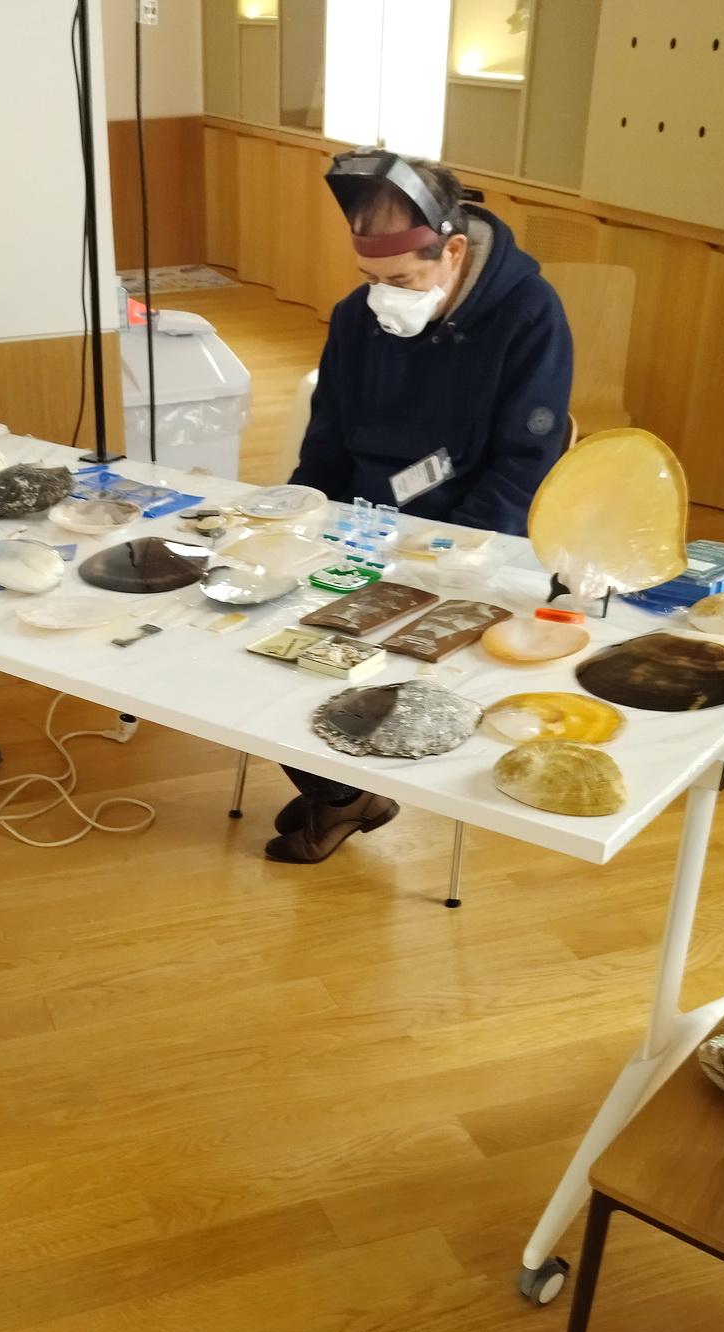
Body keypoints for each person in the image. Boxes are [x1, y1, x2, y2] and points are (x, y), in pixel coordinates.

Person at [266, 149, 574, 866]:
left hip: (474, 546)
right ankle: (341, 787)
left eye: (401, 280)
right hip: (366, 530)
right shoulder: (357, 317)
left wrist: (437, 562)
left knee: (361, 654)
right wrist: (303, 526)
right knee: (266, 641)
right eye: (370, 279)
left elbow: (523, 467)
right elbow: (327, 443)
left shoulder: (529, 314)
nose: (382, 297)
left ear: (454, 251)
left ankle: (344, 791)